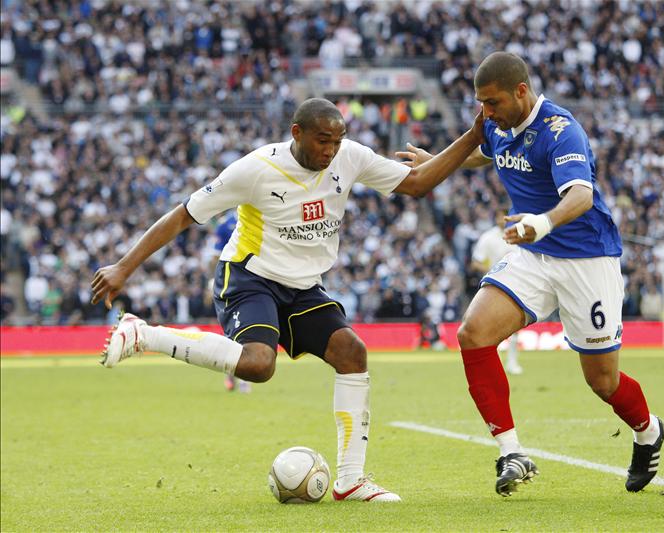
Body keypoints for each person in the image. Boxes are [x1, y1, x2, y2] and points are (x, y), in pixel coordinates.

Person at [90, 98, 484, 503]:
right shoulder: (256, 169)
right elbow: (184, 214)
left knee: (352, 353)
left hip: (303, 286)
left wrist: (473, 135)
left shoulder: (350, 157)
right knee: (259, 365)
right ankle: (143, 334)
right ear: (297, 134)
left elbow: (417, 182)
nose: (330, 150)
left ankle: (350, 480)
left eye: (337, 141)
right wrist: (123, 266)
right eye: (322, 141)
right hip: (249, 276)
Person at [397, 52, 664, 497]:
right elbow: (484, 154)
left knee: (602, 381)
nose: (485, 112)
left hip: (586, 258)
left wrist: (540, 222)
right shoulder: (498, 124)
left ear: (521, 91)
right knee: (473, 333)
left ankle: (648, 430)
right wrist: (438, 158)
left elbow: (580, 194)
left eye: (492, 102)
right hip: (533, 255)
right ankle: (511, 452)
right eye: (481, 103)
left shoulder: (561, 131)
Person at [470, 209, 522, 375]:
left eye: (505, 215)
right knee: (493, 325)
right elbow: (475, 262)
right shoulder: (488, 237)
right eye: (499, 216)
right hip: (495, 284)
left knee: (515, 327)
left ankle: (512, 362)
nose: (502, 219)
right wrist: (493, 270)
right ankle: (495, 362)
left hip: (517, 283)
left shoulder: (519, 233)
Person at [210, 211, 251, 393]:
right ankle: (236, 374)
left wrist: (213, 281)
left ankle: (239, 376)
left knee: (238, 331)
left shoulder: (224, 224)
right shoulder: (252, 216)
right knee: (239, 332)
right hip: (242, 282)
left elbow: (214, 257)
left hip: (239, 283)